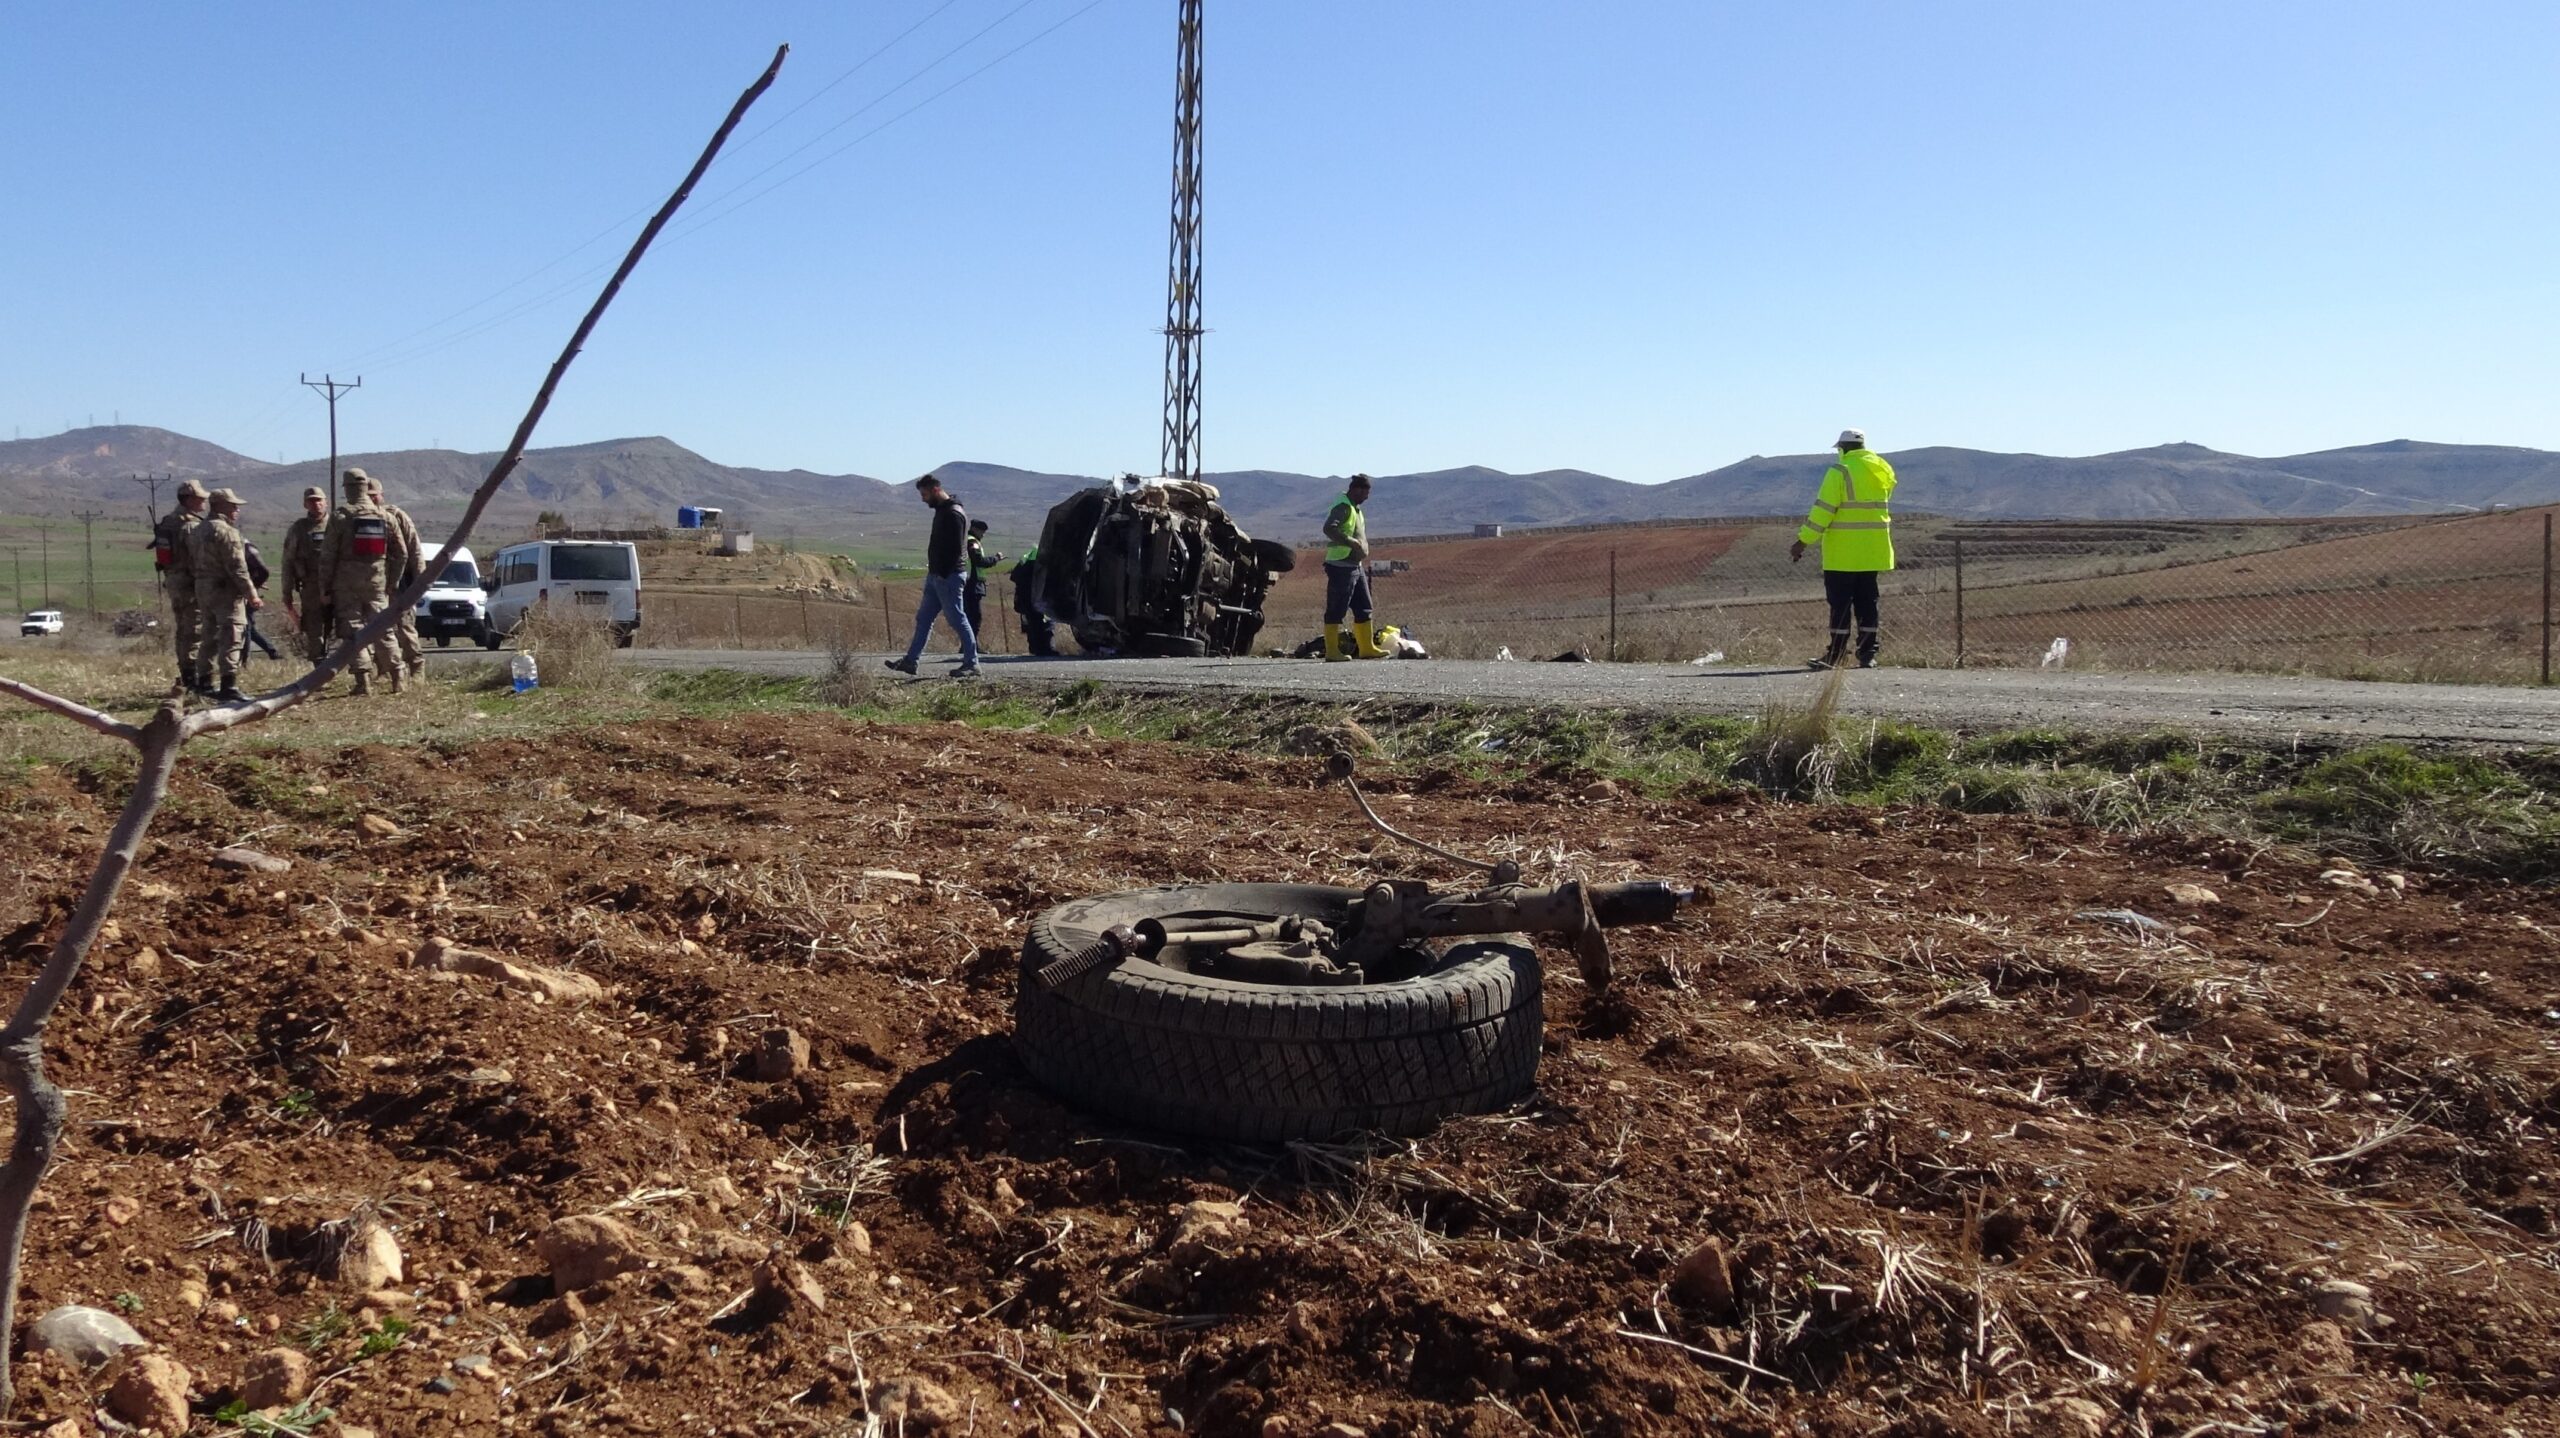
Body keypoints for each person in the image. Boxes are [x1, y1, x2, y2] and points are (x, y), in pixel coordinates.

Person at [1790, 428, 1899, 669]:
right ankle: (1868, 654)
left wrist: (1802, 541)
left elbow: (1823, 511)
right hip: (1873, 551)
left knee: (1840, 605)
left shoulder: (1839, 471)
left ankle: (1836, 655)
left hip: (1843, 553)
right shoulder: (1881, 469)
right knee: (1868, 603)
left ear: (1842, 448)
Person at [317, 467, 413, 695]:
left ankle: (364, 682)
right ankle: (398, 676)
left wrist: (325, 587)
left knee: (353, 631)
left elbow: (327, 556)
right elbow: (402, 554)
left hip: (346, 585)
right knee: (383, 629)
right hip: (377, 583)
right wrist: (392, 581)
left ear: (348, 489)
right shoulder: (386, 517)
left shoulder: (340, 517)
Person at [882, 474, 979, 679]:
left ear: (935, 490)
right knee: (924, 618)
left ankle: (972, 663)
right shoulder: (943, 511)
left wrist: (943, 574)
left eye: (924, 494)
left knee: (957, 619)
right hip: (937, 576)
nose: (923, 499)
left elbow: (955, 550)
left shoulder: (953, 513)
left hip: (948, 577)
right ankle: (911, 661)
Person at [186, 488, 261, 705]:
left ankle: (204, 682)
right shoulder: (227, 532)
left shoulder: (197, 530)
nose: (237, 509)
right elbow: (238, 567)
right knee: (232, 635)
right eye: (233, 505)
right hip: (225, 591)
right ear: (220, 506)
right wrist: (252, 594)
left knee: (208, 635)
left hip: (203, 588)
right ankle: (229, 685)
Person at [148, 479, 210, 692]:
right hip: (190, 583)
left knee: (183, 629)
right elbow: (198, 557)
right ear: (189, 500)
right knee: (195, 629)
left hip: (174, 581)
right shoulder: (190, 525)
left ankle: (186, 673)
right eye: (200, 498)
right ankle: (193, 678)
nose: (204, 501)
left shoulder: (169, 521)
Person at [366, 475, 428, 682]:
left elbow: (414, 549)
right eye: (366, 496)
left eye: (374, 496)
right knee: (378, 629)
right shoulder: (359, 519)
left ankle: (416, 667)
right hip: (372, 583)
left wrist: (420, 582)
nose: (370, 499)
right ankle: (384, 668)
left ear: (381, 496)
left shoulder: (396, 516)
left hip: (399, 582)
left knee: (405, 627)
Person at [1320, 473, 1385, 661]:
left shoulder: (1355, 509)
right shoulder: (1343, 507)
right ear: (1357, 489)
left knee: (1364, 607)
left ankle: (1367, 648)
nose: (1367, 497)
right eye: (1366, 492)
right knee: (1336, 608)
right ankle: (1332, 651)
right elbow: (1329, 529)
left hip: (1355, 566)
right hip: (1341, 565)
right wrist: (1352, 542)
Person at [279, 485, 330, 664]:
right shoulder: (298, 529)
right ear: (305, 504)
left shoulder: (337, 525)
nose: (316, 504)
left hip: (337, 586)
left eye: (319, 500)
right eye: (311, 501)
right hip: (311, 587)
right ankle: (319, 668)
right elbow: (287, 562)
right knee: (314, 630)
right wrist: (287, 594)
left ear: (326, 502)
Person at [1009, 545, 1057, 657]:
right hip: (1037, 595)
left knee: (1032, 622)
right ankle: (1046, 649)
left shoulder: (1028, 555)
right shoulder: (1045, 558)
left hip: (1025, 596)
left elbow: (1014, 576)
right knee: (1045, 622)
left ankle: (1036, 649)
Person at [963, 519, 1003, 641]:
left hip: (973, 583)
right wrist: (995, 559)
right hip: (972, 583)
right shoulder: (972, 542)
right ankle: (970, 645)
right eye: (982, 531)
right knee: (974, 616)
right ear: (975, 529)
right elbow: (979, 561)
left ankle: (969, 644)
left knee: (972, 615)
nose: (983, 535)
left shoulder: (970, 541)